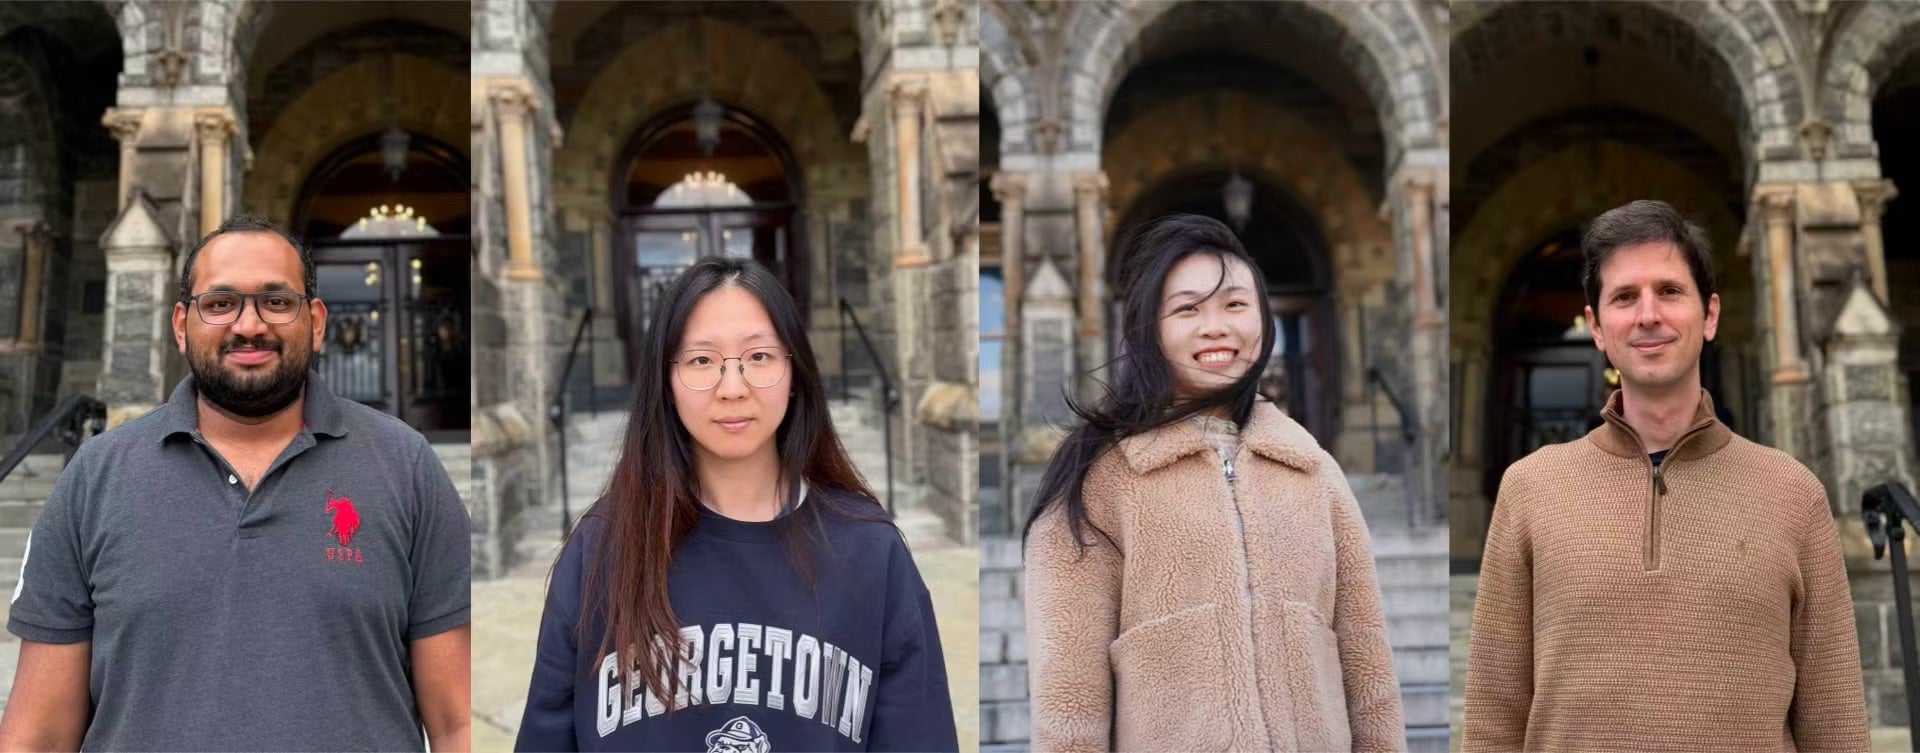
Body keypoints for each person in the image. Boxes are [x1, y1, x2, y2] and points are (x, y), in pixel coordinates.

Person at [0, 216, 471, 751]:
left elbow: (457, 723)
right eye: (220, 304)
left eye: (277, 301)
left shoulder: (406, 466)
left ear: (316, 322)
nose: (249, 325)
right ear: (182, 324)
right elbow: (38, 736)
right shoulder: (94, 477)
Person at [1462, 200, 1869, 751]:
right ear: (1597, 327)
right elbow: (1493, 715)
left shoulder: (1792, 492)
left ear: (1710, 315)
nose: (1648, 314)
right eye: (1625, 297)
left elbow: (1835, 721)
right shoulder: (1531, 488)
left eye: (1670, 291)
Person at [515, 257, 958, 752]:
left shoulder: (871, 553)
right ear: (667, 381)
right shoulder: (601, 550)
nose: (733, 387)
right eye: (702, 360)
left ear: (795, 371)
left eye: (759, 357)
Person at [1023, 214, 1405, 752]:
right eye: (1187, 309)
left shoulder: (1313, 468)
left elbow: (1368, 667)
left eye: (1234, 304)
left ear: (1263, 319)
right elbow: (1068, 698)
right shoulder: (1100, 475)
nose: (1216, 326)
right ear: (1148, 329)